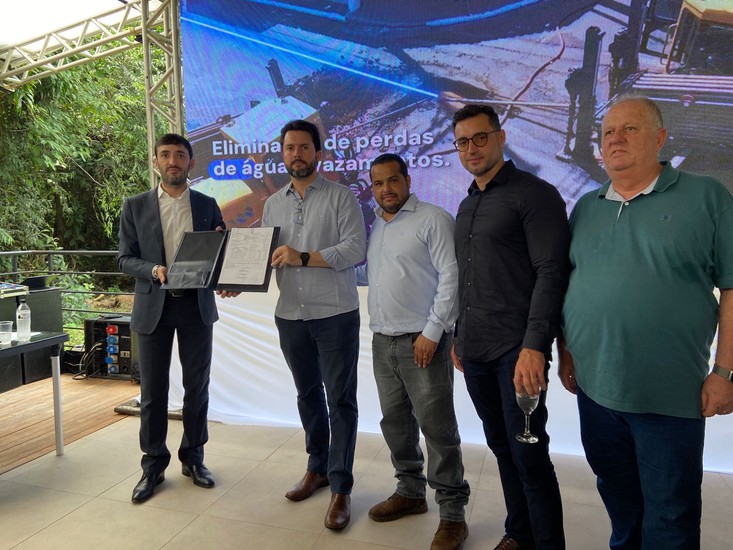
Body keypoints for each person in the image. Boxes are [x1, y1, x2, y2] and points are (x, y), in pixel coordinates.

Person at [559, 95, 733, 550]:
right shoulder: (586, 207)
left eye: (629, 128)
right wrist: (567, 353)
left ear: (660, 138)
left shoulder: (706, 196)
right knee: (620, 501)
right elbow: (570, 286)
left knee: (671, 515)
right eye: (607, 132)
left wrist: (725, 372)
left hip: (669, 398)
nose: (615, 139)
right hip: (595, 391)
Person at [450, 104, 569, 550]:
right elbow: (469, 277)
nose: (472, 148)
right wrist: (459, 334)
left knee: (529, 455)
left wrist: (535, 347)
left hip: (517, 353)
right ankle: (520, 533)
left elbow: (551, 272)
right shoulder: (467, 204)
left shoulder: (535, 194)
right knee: (502, 447)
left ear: (500, 138)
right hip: (476, 349)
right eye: (463, 142)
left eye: (480, 138)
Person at [356, 153, 470, 550]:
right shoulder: (378, 224)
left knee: (437, 429)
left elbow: (452, 277)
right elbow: (379, 276)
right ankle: (410, 491)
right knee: (395, 424)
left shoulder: (433, 218)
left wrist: (433, 332)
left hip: (422, 343)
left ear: (407, 180)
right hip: (382, 341)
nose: (385, 189)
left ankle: (453, 514)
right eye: (378, 183)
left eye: (392, 180)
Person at [118, 133, 236, 504]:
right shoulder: (135, 206)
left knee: (196, 388)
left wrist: (226, 275)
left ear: (191, 163)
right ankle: (153, 466)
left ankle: (194, 459)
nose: (173, 161)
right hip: (154, 306)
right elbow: (124, 258)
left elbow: (218, 253)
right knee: (153, 393)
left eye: (180, 155)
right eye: (166, 155)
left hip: (195, 306)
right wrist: (153, 270)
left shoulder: (206, 204)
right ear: (155, 161)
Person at [262, 119, 366, 530]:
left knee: (340, 400)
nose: (297, 154)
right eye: (290, 148)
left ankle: (341, 487)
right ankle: (317, 468)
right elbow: (266, 256)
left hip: (335, 314)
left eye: (304, 147)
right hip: (290, 314)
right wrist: (237, 279)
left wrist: (303, 256)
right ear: (282, 153)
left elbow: (355, 249)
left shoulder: (342, 196)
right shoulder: (273, 204)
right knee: (307, 395)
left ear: (318, 153)